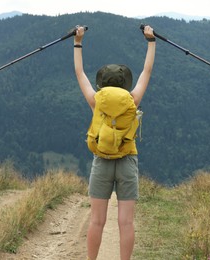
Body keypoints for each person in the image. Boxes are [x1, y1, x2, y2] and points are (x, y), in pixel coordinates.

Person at [73, 25, 156, 260]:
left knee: (97, 221)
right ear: (124, 84)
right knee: (126, 222)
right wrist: (151, 42)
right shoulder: (133, 99)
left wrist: (78, 42)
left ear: (102, 83)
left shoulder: (95, 100)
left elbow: (79, 73)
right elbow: (146, 71)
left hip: (101, 160)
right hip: (127, 160)